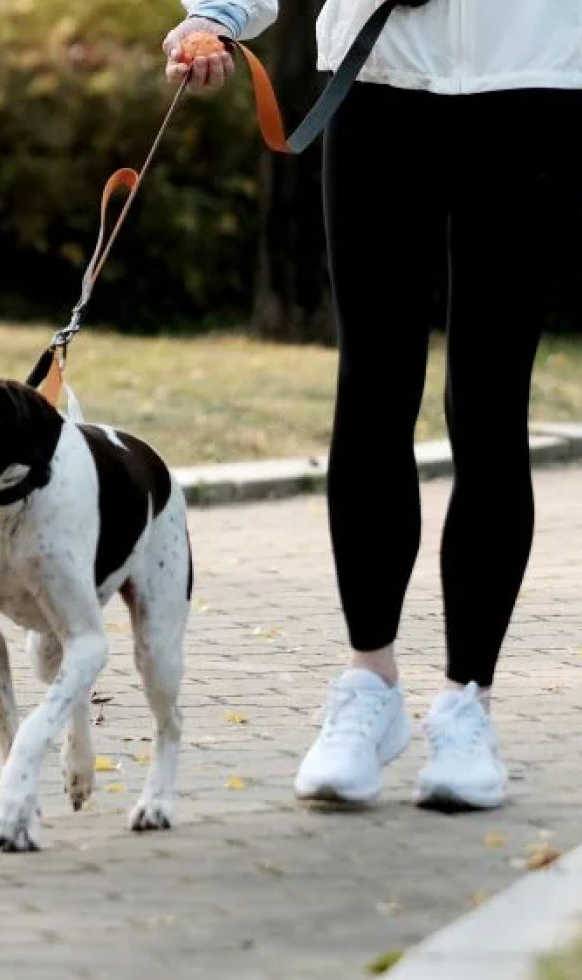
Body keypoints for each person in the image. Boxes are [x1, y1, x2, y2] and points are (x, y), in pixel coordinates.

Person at [162, 0, 581, 809]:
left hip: (536, 81)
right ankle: (369, 684)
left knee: (492, 400)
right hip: (379, 72)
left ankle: (467, 703)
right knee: (373, 389)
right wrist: (218, 13)